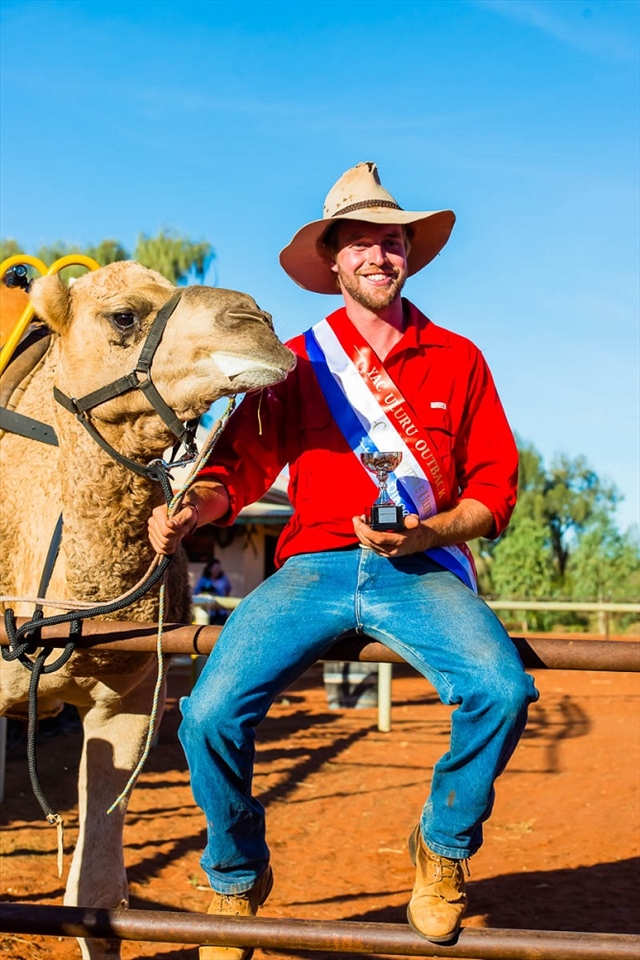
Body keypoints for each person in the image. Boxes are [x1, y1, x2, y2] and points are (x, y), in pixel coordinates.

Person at [149, 161, 539, 957]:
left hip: (423, 570)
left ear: (409, 255)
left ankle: (441, 851)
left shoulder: (460, 360)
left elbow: (496, 488)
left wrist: (428, 536)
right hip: (312, 566)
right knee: (207, 714)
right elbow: (239, 472)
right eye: (360, 242)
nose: (378, 255)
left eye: (392, 241)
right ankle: (235, 876)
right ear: (333, 260)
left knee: (501, 691)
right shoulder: (294, 362)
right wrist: (195, 507)